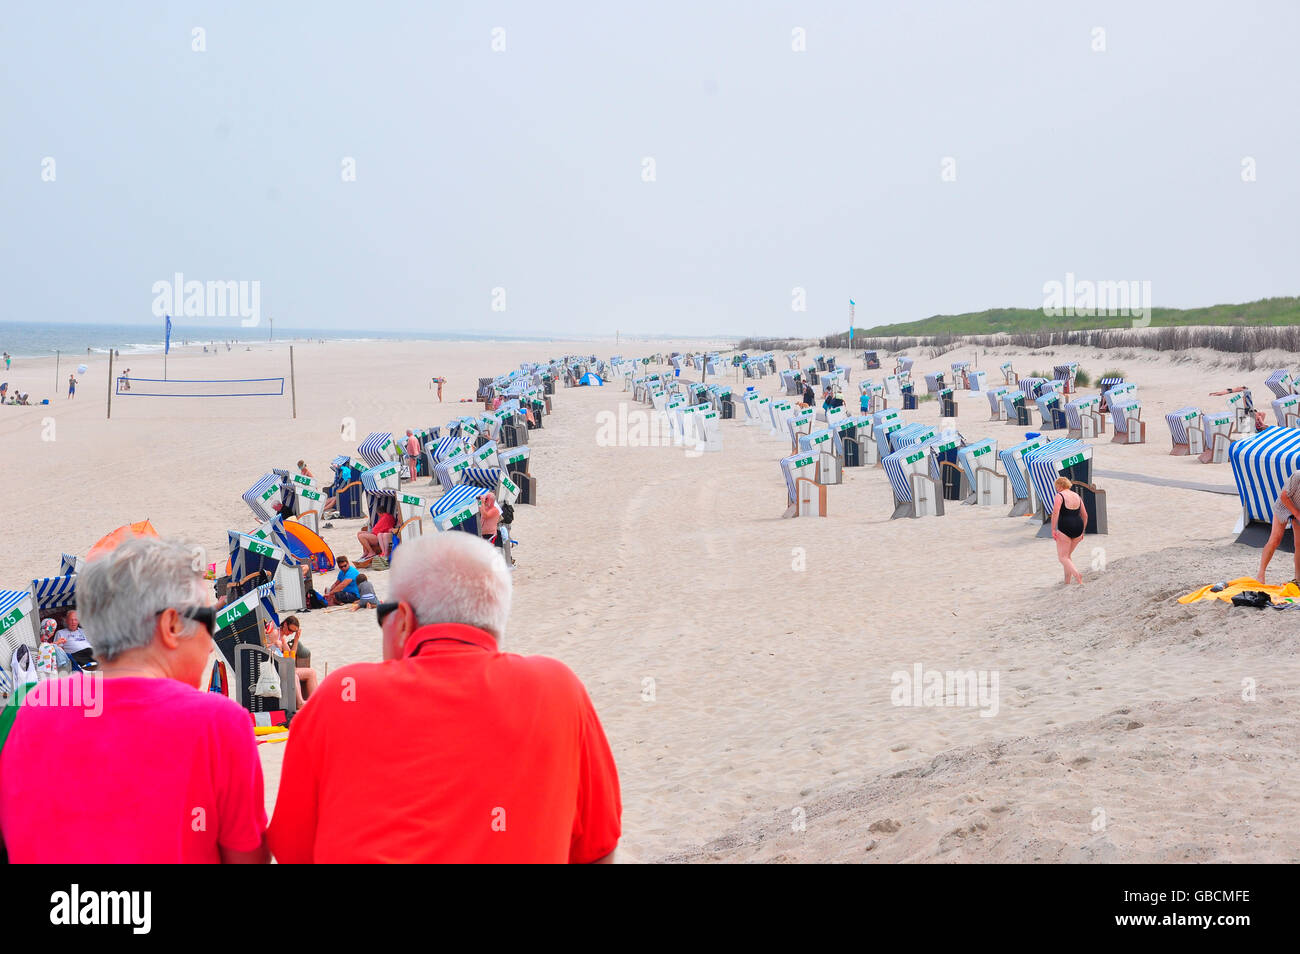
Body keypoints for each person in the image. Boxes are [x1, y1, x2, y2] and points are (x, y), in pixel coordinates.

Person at [267, 533, 621, 863]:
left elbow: (291, 849)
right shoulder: (559, 690)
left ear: (403, 619)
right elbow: (599, 846)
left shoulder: (340, 697)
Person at [0, 538, 269, 863]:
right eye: (208, 621)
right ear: (171, 625)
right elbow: (246, 857)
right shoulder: (218, 722)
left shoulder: (33, 708)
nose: (211, 644)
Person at [1256, 469, 1300, 584]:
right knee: (1275, 539)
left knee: (1299, 544)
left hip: (1299, 510)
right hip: (1284, 506)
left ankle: (1297, 579)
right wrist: (1296, 514)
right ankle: (1261, 574)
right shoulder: (1297, 475)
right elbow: (1284, 496)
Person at [1050, 476, 1087, 584]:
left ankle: (1077, 574)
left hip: (1065, 527)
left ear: (1059, 486)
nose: (1056, 489)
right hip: (1078, 527)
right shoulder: (1077, 496)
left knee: (1062, 557)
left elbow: (1055, 512)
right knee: (1067, 557)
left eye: (1056, 486)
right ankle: (1067, 582)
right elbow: (1085, 515)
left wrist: (1053, 529)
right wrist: (1083, 531)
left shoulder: (1060, 495)